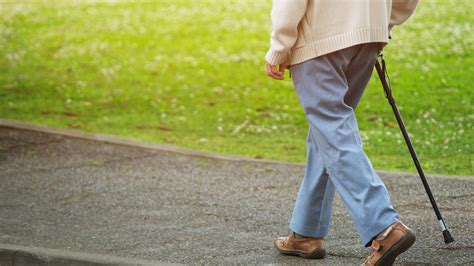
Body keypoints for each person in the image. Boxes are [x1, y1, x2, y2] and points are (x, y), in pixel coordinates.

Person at [264, 0, 419, 265]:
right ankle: (306, 233)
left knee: (333, 131)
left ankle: (384, 227)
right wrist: (382, 22)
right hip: (368, 37)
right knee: (327, 133)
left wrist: (279, 47)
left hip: (320, 40)